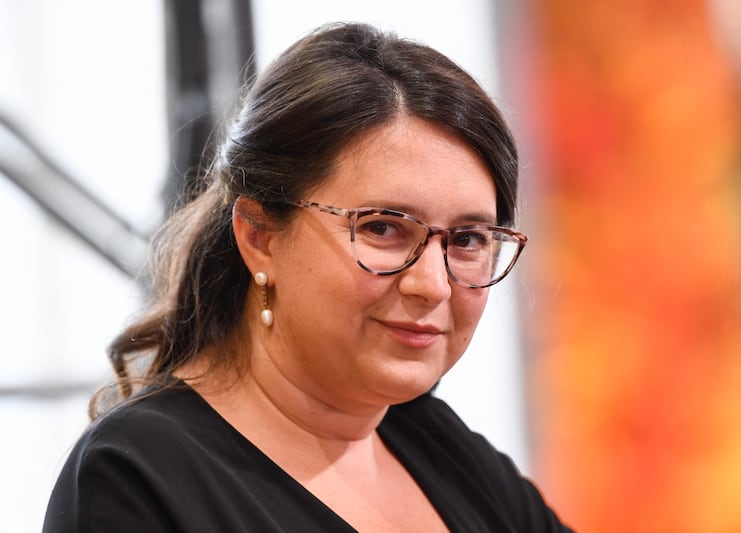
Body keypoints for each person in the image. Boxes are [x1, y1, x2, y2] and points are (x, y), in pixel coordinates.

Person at [43, 22, 573, 532]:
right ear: (260, 236)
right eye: (383, 228)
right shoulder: (138, 477)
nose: (432, 284)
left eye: (467, 240)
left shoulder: (439, 444)